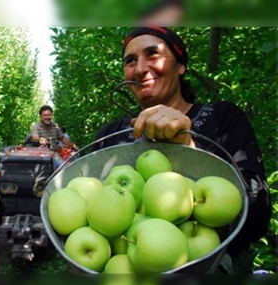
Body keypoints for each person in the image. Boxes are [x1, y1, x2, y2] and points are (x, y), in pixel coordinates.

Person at [92, 27, 271, 268]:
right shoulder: (111, 135)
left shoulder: (223, 118)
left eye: (153, 54)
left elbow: (257, 218)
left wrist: (191, 148)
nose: (141, 68)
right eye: (130, 60)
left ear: (181, 65)